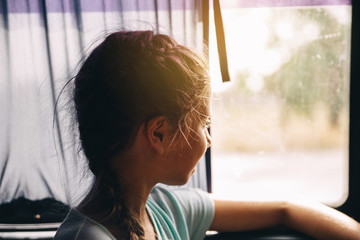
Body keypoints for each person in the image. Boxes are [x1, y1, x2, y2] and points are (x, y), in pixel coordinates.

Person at [54, 30, 360, 240]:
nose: (208, 139)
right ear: (159, 133)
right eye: (204, 124)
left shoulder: (165, 208)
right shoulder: (86, 237)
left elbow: (286, 209)